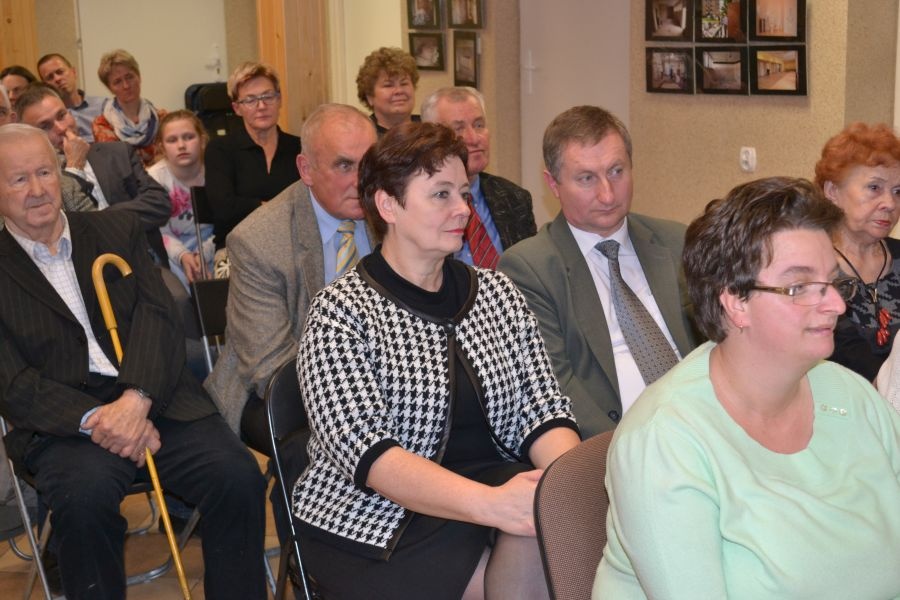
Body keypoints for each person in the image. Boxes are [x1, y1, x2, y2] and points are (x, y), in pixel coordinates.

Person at [293, 121, 580, 599]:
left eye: (463, 193)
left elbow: (542, 409)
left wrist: (569, 484)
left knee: (556, 525)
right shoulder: (340, 313)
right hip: (376, 518)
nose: (463, 209)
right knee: (539, 562)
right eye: (441, 194)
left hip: (490, 486)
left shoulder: (496, 292)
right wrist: (493, 505)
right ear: (388, 206)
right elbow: (372, 457)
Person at [594, 176, 900, 598]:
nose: (836, 304)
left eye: (833, 282)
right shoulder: (665, 439)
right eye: (799, 287)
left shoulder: (851, 396)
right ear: (735, 302)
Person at [0, 123, 267, 600]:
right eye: (19, 179)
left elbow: (158, 317)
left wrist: (136, 399)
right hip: (65, 426)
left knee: (237, 477)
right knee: (83, 504)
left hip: (156, 395)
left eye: (44, 172)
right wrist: (101, 418)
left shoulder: (114, 229)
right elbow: (12, 383)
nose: (38, 189)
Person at [498, 106, 697, 438]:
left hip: (702, 426)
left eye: (616, 171)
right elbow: (555, 388)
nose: (607, 194)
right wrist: (629, 449)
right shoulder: (529, 269)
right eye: (587, 178)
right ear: (553, 184)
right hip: (616, 441)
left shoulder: (677, 242)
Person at [206, 103, 374, 440]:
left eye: (369, 164)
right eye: (344, 166)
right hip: (282, 391)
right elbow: (270, 365)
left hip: (381, 382)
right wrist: (360, 403)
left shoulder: (393, 213)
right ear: (306, 169)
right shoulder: (258, 240)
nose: (362, 181)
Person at [16, 83, 170, 264]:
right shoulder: (35, 183)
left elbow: (159, 203)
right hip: (85, 269)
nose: (61, 128)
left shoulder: (117, 152)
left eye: (62, 115)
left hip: (145, 259)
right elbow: (69, 229)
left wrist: (102, 218)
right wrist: (74, 167)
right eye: (45, 126)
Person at [814, 122, 900, 381]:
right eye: (874, 188)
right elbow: (851, 359)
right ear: (832, 191)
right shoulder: (813, 269)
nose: (890, 203)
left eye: (898, 191)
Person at [204, 62, 301, 277]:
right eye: (250, 100)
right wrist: (277, 209)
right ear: (236, 108)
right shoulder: (220, 150)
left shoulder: (300, 148)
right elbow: (224, 208)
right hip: (236, 248)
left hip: (293, 246)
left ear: (279, 99)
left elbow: (309, 205)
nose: (261, 105)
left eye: (268, 96)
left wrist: (255, 206)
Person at [422, 86, 536, 268]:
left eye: (479, 125)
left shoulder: (514, 198)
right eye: (458, 129)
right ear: (431, 139)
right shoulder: (422, 204)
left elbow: (531, 273)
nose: (474, 138)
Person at [148, 110, 213, 289]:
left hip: (214, 244)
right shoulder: (154, 179)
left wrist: (204, 254)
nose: (181, 145)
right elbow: (159, 231)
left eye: (189, 137)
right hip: (172, 250)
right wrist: (183, 255)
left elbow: (228, 223)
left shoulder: (217, 170)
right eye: (172, 140)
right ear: (162, 147)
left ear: (202, 140)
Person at [92, 49, 167, 166]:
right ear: (110, 88)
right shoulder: (102, 125)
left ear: (139, 77)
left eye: (129, 77)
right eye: (117, 82)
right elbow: (118, 166)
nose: (126, 86)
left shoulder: (162, 118)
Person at [37, 53, 106, 142]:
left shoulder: (103, 105)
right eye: (50, 77)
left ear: (73, 72)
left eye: (60, 72)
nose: (57, 79)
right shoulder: (49, 119)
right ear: (45, 85)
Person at [356, 47, 420, 137]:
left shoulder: (431, 131)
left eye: (404, 83)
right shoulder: (362, 137)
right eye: (388, 85)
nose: (399, 91)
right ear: (370, 96)